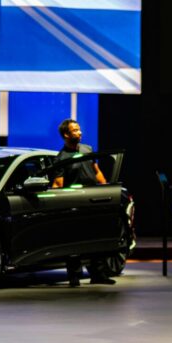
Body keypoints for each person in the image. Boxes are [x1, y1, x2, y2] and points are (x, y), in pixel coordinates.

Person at [53, 118, 114, 286]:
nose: (80, 132)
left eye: (79, 129)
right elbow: (58, 183)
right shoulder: (62, 158)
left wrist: (106, 188)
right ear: (66, 135)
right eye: (75, 130)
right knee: (74, 239)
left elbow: (97, 171)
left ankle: (98, 274)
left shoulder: (88, 149)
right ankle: (74, 276)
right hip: (75, 201)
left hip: (93, 199)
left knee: (97, 237)